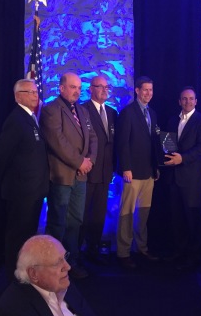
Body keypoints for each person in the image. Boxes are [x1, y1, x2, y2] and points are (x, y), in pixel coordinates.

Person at [40, 72, 98, 279]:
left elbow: (92, 137)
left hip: (80, 176)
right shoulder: (51, 110)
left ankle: (71, 262)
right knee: (58, 221)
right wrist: (79, 162)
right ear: (62, 88)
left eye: (79, 88)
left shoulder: (82, 110)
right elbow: (57, 141)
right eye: (73, 87)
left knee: (75, 221)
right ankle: (53, 265)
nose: (77, 91)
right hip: (62, 176)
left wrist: (89, 160)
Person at [0, 79, 50, 281]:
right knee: (18, 235)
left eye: (36, 92)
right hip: (20, 191)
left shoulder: (31, 118)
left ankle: (25, 272)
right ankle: (14, 275)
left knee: (28, 234)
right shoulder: (15, 120)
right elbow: (1, 156)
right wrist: (5, 183)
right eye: (30, 92)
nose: (36, 95)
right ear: (18, 96)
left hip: (34, 190)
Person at [163, 87, 201, 270]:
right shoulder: (171, 120)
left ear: (196, 101)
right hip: (173, 177)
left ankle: (194, 255)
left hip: (192, 179)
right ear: (179, 101)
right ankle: (179, 252)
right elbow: (167, 145)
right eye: (184, 99)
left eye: (191, 99)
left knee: (193, 218)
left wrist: (182, 158)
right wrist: (166, 158)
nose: (188, 102)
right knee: (177, 218)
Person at [115, 76, 160, 269]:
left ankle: (142, 247)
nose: (148, 93)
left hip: (149, 172)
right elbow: (122, 143)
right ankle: (123, 252)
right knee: (127, 213)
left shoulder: (153, 113)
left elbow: (154, 144)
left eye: (151, 90)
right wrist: (126, 168)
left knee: (143, 213)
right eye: (145, 90)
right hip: (132, 173)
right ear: (137, 91)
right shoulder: (127, 113)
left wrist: (156, 166)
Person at [0, 235, 96, 316]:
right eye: (57, 263)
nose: (68, 267)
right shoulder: (13, 310)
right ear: (34, 274)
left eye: (65, 257)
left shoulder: (62, 282)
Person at [79, 76, 117, 264]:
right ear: (90, 89)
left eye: (106, 87)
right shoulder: (82, 110)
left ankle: (93, 247)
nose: (104, 90)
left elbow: (113, 144)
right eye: (100, 87)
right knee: (83, 213)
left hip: (105, 172)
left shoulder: (111, 112)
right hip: (87, 171)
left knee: (99, 213)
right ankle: (78, 249)